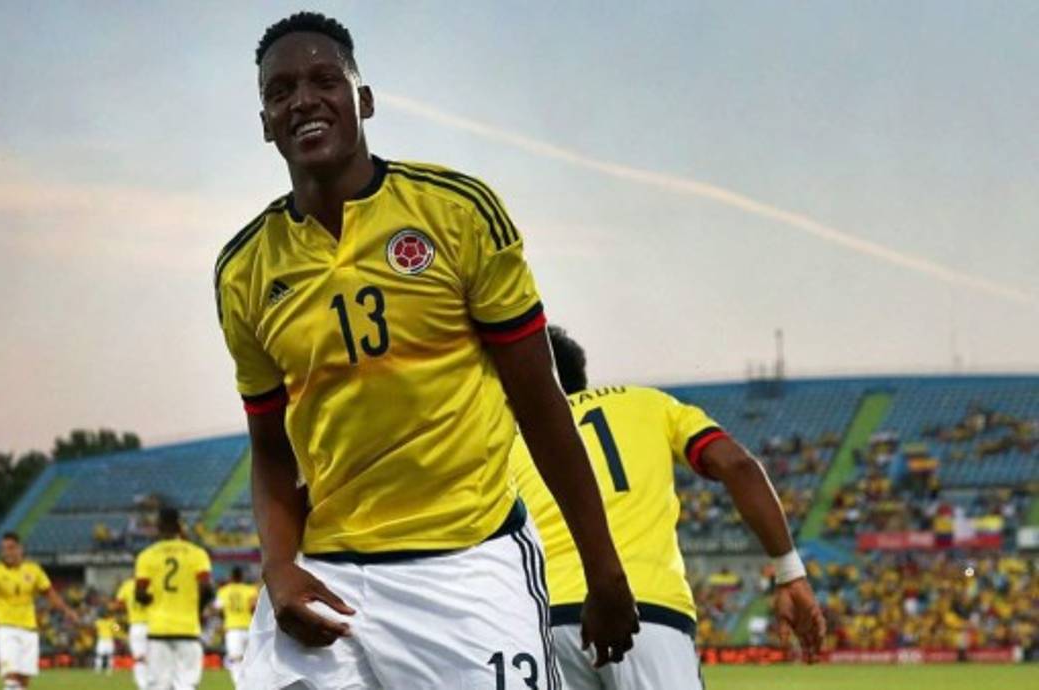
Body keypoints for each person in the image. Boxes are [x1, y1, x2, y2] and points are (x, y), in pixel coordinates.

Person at [215, 11, 637, 689]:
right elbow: (270, 448)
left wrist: (604, 569)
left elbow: (539, 400)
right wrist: (280, 564)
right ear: (266, 122)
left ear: (365, 100)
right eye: (280, 91)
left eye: (325, 79)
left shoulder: (458, 212)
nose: (302, 100)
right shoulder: (244, 270)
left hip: (466, 564)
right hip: (328, 570)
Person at [508, 325, 828, 690]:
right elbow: (738, 465)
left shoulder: (511, 444)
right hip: (646, 613)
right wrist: (790, 573)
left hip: (546, 624)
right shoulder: (650, 404)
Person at [0, 532, 79, 689]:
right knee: (11, 677)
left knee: (24, 681)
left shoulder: (33, 570)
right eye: (4, 549)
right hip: (6, 629)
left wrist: (67, 611)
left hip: (29, 630)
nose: (7, 552)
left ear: (20, 549)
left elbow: (50, 593)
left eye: (11, 548)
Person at [134, 508, 213, 690]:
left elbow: (139, 594)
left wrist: (152, 600)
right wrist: (197, 610)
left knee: (158, 685)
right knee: (187, 684)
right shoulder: (197, 553)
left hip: (158, 629)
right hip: (188, 628)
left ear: (158, 527)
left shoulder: (147, 555)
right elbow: (206, 589)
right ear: (179, 525)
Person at [214, 566, 259, 667]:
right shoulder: (251, 590)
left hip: (232, 628)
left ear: (231, 577)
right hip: (249, 628)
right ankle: (249, 681)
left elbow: (218, 609)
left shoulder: (224, 591)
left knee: (235, 660)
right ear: (242, 577)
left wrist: (224, 618)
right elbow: (254, 608)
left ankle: (238, 682)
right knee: (251, 660)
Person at [114, 576, 151, 689]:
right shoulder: (153, 583)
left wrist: (129, 609)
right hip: (154, 625)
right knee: (154, 657)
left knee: (139, 658)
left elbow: (118, 604)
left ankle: (143, 686)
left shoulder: (127, 585)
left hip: (136, 626)